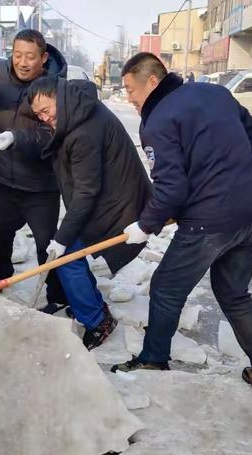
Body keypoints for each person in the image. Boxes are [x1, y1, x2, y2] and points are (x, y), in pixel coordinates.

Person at [111, 52, 252, 399]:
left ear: (152, 81)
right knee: (234, 294)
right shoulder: (214, 93)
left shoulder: (157, 121)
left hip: (210, 223)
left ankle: (153, 360)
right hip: (251, 213)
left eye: (131, 90)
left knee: (165, 287)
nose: (129, 98)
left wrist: (145, 225)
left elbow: (171, 188)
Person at [27, 76, 152, 349]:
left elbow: (86, 191)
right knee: (70, 252)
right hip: (113, 197)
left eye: (46, 110)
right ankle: (90, 306)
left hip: (117, 204)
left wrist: (61, 239)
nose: (45, 119)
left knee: (67, 257)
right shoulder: (80, 109)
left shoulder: (82, 131)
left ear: (58, 95)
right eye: (39, 116)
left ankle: (97, 320)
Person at [0, 29, 68, 312]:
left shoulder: (56, 86)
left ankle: (57, 295)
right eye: (17, 55)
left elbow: (52, 134)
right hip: (4, 179)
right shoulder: (1, 74)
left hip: (41, 185)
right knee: (0, 237)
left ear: (43, 58)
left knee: (48, 244)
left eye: (30, 57)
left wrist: (17, 138)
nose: (22, 62)